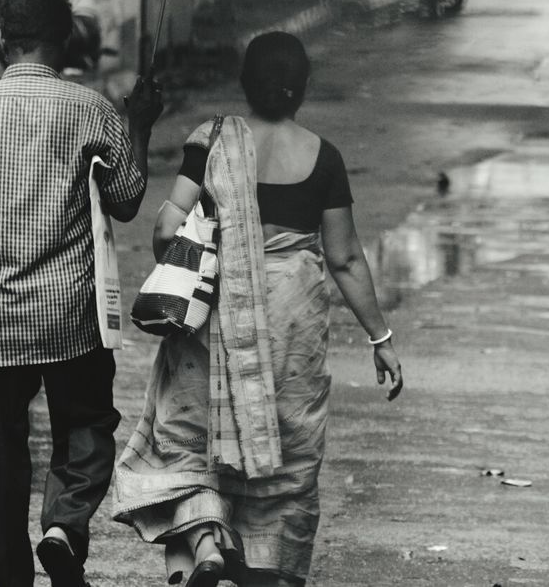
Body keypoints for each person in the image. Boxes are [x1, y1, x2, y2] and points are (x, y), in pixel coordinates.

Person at [113, 31, 403, 587]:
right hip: (289, 328)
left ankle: (203, 540)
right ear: (301, 91)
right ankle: (268, 568)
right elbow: (344, 258)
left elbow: (166, 231)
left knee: (192, 436)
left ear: (245, 84)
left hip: (217, 319)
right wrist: (379, 339)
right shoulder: (325, 158)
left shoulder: (212, 139)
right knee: (286, 451)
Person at [0, 0, 164, 587]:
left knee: (0, 451)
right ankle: (63, 526)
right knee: (86, 425)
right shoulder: (91, 110)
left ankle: (9, 573)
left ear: (5, 39)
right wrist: (139, 125)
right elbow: (127, 202)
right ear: (65, 41)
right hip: (71, 315)